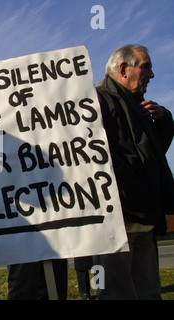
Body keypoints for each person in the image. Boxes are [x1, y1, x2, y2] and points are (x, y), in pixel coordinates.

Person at [93, 44, 174, 299]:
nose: (151, 75)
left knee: (148, 290)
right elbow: (96, 154)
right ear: (123, 69)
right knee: (117, 292)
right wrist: (133, 185)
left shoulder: (141, 108)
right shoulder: (98, 100)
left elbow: (152, 156)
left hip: (144, 215)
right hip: (119, 217)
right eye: (146, 67)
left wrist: (164, 121)